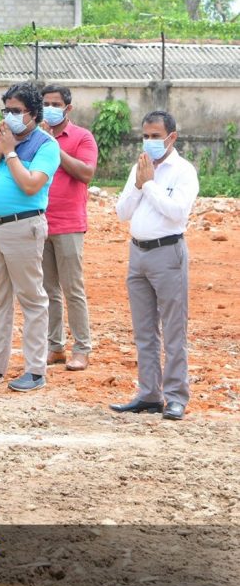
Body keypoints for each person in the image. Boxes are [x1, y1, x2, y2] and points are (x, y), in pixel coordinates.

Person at [0, 82, 60, 392]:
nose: (9, 116)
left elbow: (30, 185)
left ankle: (35, 370)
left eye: (16, 111)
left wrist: (10, 153)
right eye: (6, 110)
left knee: (32, 298)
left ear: (33, 113)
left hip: (23, 226)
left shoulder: (46, 145)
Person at [111, 110, 198, 421]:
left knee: (174, 329)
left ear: (171, 137)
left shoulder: (183, 171)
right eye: (145, 136)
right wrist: (138, 185)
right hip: (138, 254)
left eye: (155, 136)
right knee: (144, 330)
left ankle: (175, 397)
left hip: (167, 253)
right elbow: (122, 212)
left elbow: (177, 212)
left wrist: (148, 185)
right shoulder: (140, 167)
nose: (149, 142)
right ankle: (149, 394)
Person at [40, 84, 99, 372]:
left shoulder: (82, 137)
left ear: (68, 108)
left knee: (72, 289)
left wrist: (54, 147)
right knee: (47, 289)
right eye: (45, 104)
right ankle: (55, 347)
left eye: (55, 104)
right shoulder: (36, 136)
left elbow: (86, 173)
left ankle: (82, 348)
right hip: (39, 221)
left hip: (68, 224)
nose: (49, 109)